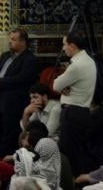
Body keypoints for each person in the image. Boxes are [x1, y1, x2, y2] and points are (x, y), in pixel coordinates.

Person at [0, 29, 38, 157]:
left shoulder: (29, 59)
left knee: (7, 138)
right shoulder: (5, 55)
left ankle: (4, 166)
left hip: (12, 105)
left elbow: (21, 79)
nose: (10, 42)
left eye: (13, 39)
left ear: (23, 42)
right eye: (10, 39)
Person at [53, 32, 97, 175]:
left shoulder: (77, 66)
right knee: (78, 151)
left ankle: (71, 183)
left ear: (72, 46)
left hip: (72, 113)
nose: (63, 48)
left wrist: (63, 85)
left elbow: (55, 85)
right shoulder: (89, 61)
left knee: (69, 153)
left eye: (64, 45)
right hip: (82, 112)